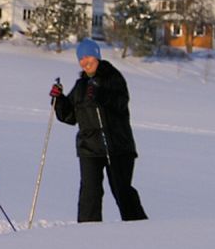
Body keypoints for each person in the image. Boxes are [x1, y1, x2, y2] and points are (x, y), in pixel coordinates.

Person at [50, 38, 148, 223]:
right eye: (81, 58)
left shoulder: (112, 77)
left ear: (97, 56)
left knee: (121, 190)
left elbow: (121, 103)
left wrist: (100, 94)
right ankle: (88, 233)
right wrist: (59, 100)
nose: (85, 61)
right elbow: (69, 117)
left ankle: (138, 227)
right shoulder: (81, 86)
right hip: (89, 148)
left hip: (116, 146)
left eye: (89, 57)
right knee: (89, 194)